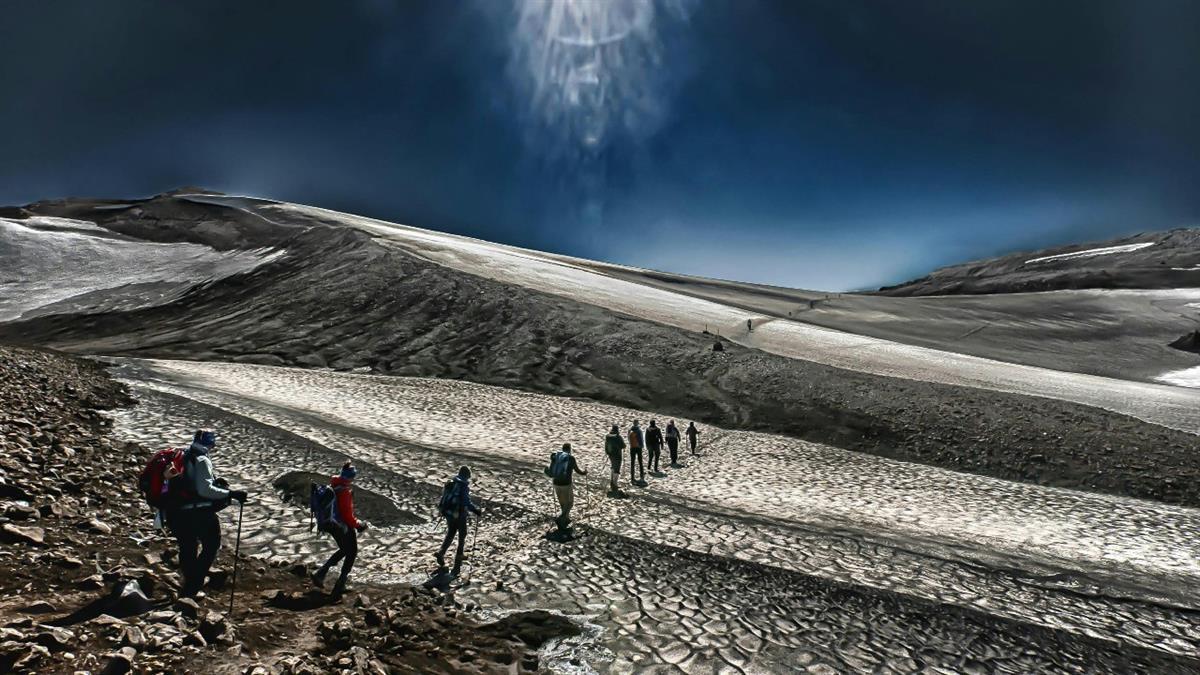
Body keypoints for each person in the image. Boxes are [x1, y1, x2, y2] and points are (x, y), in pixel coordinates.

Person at [167, 430, 248, 598]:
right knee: (211, 544)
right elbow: (204, 489)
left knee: (188, 547)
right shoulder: (202, 459)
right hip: (200, 512)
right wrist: (230, 493)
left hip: (179, 511)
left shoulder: (185, 455)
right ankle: (193, 585)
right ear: (210, 442)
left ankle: (188, 584)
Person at [312, 461, 368, 597]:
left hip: (331, 524)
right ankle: (339, 583)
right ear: (351, 477)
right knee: (352, 551)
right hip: (342, 526)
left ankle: (322, 573)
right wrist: (359, 525)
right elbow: (347, 516)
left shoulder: (334, 485)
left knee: (344, 549)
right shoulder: (344, 492)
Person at [436, 466, 482, 577]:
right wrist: (476, 510)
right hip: (459, 513)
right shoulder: (463, 486)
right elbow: (466, 502)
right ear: (467, 475)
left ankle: (441, 552)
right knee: (462, 534)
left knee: (451, 533)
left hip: (448, 512)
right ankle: (459, 555)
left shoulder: (451, 482)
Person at [545, 443, 587, 530]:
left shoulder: (556, 457)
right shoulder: (571, 458)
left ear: (562, 448)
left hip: (556, 483)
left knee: (562, 503)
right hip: (566, 484)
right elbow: (577, 471)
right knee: (570, 503)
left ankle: (566, 518)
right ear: (569, 449)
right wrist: (584, 472)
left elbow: (552, 469)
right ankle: (561, 518)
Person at [604, 424, 626, 496]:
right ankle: (615, 483)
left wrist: (607, 452)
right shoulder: (618, 437)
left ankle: (611, 481)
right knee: (617, 469)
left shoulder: (608, 436)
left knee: (613, 466)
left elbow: (606, 445)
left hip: (610, 454)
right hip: (617, 455)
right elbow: (623, 445)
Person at [627, 421, 645, 485]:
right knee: (640, 462)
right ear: (637, 424)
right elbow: (641, 440)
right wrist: (642, 446)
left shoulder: (630, 430)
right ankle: (642, 477)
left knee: (632, 463)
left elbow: (628, 439)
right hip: (638, 448)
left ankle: (632, 478)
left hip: (632, 447)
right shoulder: (639, 431)